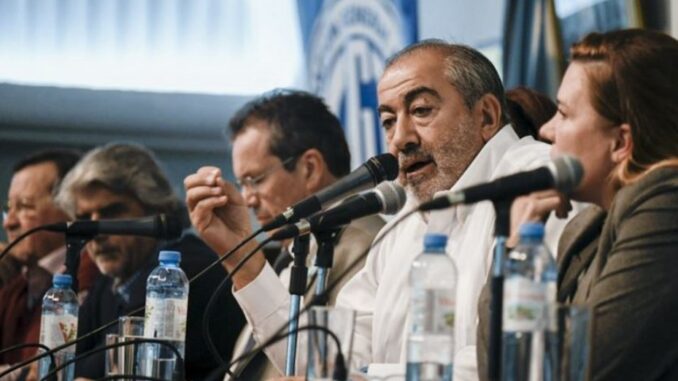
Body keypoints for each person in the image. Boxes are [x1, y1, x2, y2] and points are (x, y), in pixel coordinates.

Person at [186, 40, 570, 380]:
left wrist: (368, 378)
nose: (400, 138)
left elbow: (511, 359)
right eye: (388, 121)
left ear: (486, 116)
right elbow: (324, 358)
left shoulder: (537, 181)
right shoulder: (403, 224)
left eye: (420, 110)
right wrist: (239, 250)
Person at [185, 90, 385, 380]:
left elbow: (332, 368)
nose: (247, 199)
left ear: (310, 168)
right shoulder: (293, 250)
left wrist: (242, 255)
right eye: (241, 184)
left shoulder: (368, 244)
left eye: (255, 180)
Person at [540, 29, 677, 380]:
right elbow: (505, 366)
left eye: (563, 114)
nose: (545, 129)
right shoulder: (585, 226)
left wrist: (515, 256)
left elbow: (581, 370)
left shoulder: (667, 205)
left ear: (620, 141)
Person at [54, 143, 246, 380]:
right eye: (84, 218)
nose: (97, 231)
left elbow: (100, 370)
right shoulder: (109, 282)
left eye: (112, 212)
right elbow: (60, 365)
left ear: (158, 209)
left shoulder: (183, 273)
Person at [0, 149, 99, 380]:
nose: (9, 223)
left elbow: (42, 372)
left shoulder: (91, 272)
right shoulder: (17, 279)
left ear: (71, 210)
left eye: (24, 206)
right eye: (8, 209)